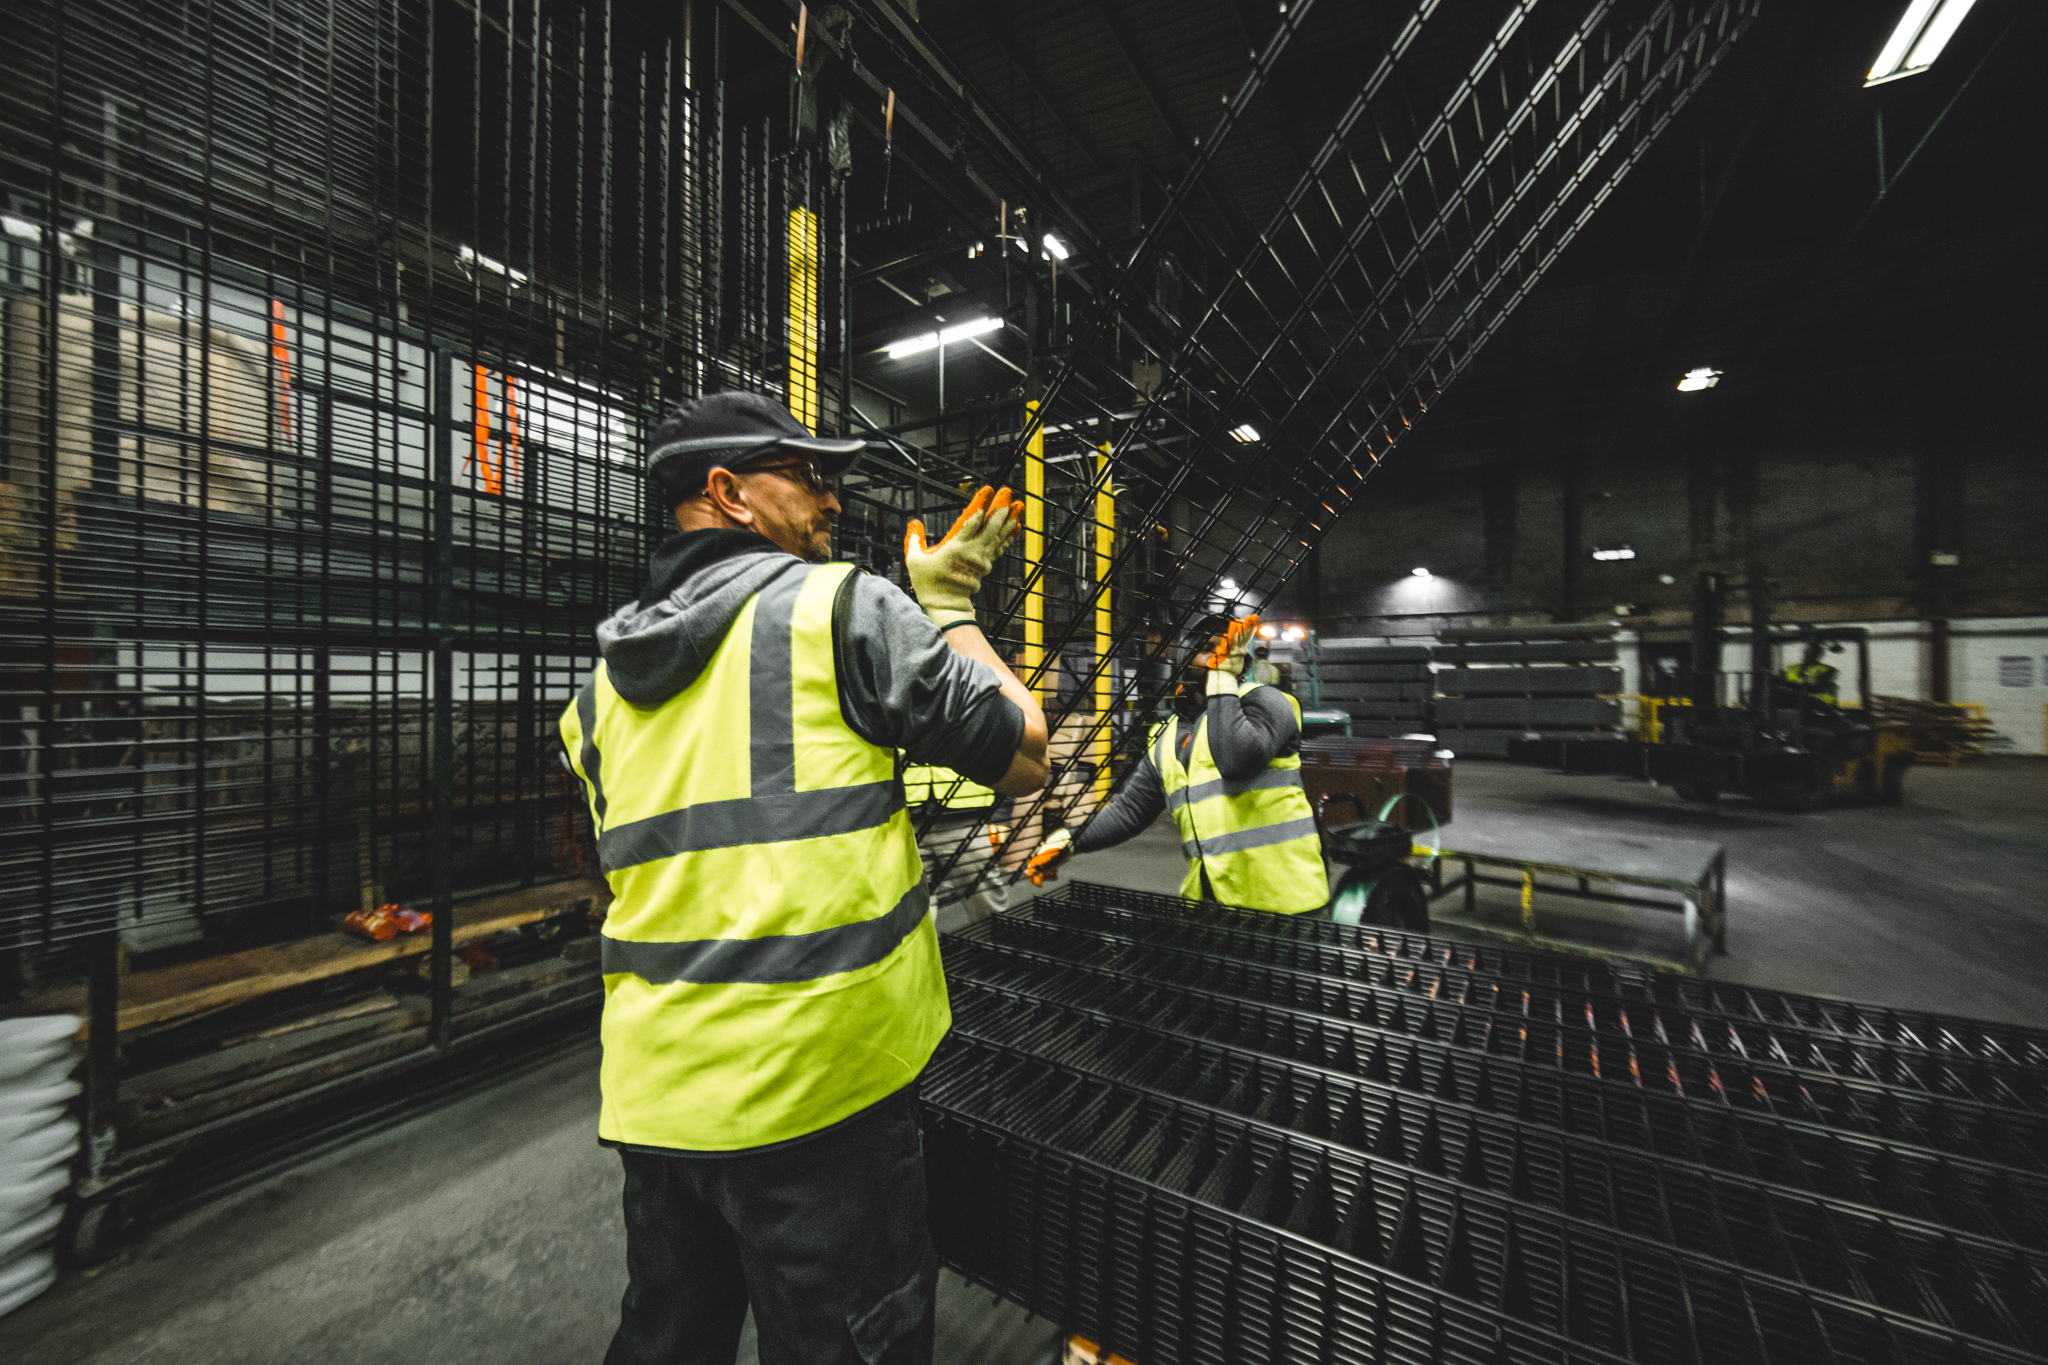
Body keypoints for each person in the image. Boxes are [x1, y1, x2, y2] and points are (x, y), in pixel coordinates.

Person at [558, 390, 1047, 1365]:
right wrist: (947, 609)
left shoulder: (598, 692)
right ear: (728, 492)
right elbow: (1025, 755)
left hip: (660, 1099)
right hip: (819, 1100)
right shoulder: (840, 611)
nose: (832, 498)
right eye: (808, 475)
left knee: (668, 1340)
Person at [1025, 614, 1328, 914]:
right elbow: (1130, 810)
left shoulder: (1268, 702)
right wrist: (1068, 840)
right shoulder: (1167, 735)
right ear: (1184, 659)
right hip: (1213, 905)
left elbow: (1236, 761)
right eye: (1208, 646)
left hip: (1287, 903)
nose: (1219, 654)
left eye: (1226, 646)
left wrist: (1221, 679)